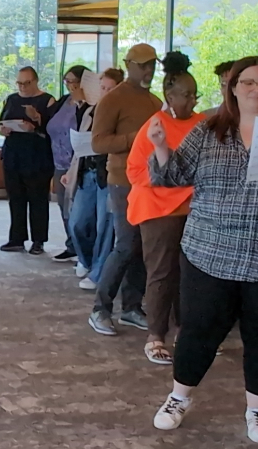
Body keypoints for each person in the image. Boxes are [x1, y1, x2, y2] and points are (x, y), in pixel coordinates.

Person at [148, 57, 258, 443]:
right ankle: (178, 398)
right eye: (247, 82)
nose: (256, 90)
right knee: (199, 331)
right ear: (232, 87)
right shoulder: (208, 130)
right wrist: (162, 145)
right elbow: (171, 176)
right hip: (210, 249)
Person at [126, 52, 203, 365]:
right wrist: (175, 183)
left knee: (192, 274)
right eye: (186, 95)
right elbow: (135, 171)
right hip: (158, 210)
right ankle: (156, 336)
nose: (192, 100)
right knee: (162, 273)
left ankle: (189, 332)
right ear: (170, 96)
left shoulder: (203, 125)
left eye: (196, 94)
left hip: (193, 209)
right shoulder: (154, 126)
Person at [88, 44, 161, 335]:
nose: (148, 70)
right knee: (126, 244)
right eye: (143, 64)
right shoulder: (113, 99)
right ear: (128, 64)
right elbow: (98, 143)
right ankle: (100, 308)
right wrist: (137, 138)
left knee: (143, 246)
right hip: (122, 180)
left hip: (150, 182)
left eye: (152, 64)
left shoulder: (155, 101)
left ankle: (131, 307)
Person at [68, 68, 121, 291]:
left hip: (107, 174)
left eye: (111, 88)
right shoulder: (90, 111)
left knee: (104, 226)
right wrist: (71, 173)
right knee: (77, 222)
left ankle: (99, 272)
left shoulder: (121, 114)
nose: (106, 92)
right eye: (103, 87)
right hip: (86, 172)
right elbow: (79, 145)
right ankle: (87, 260)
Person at [0, 67, 56, 254]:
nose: (22, 87)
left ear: (36, 81)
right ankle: (16, 238)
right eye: (19, 83)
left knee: (38, 199)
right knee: (15, 198)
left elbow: (54, 130)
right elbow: (0, 123)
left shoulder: (47, 100)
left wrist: (36, 122)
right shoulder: (12, 99)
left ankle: (38, 240)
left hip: (37, 157)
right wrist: (2, 129)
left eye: (26, 83)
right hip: (13, 155)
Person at [47, 65, 89, 262]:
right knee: (63, 207)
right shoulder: (64, 101)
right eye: (67, 81)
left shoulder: (89, 103)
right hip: (59, 161)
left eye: (73, 81)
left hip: (77, 162)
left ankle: (83, 250)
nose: (70, 85)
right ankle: (71, 245)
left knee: (77, 210)